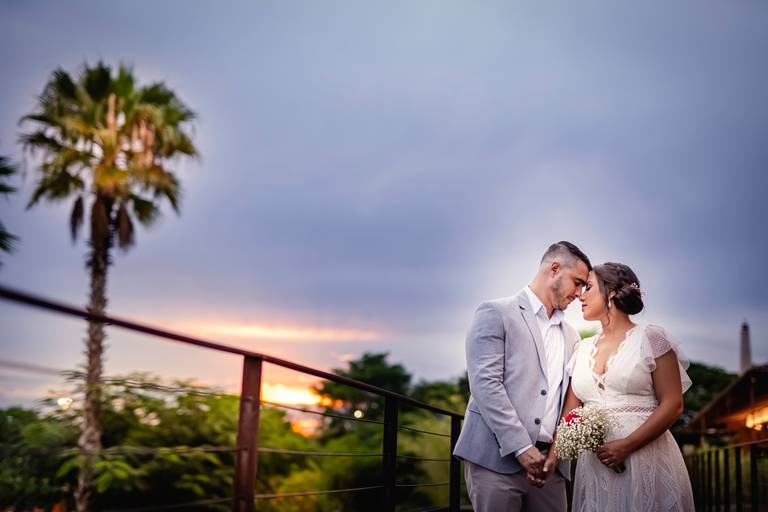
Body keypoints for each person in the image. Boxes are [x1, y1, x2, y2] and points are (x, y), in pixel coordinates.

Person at [453, 241, 590, 512]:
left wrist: (554, 455)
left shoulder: (572, 335)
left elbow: (569, 402)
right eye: (577, 282)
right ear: (554, 269)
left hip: (550, 470)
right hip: (495, 460)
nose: (580, 292)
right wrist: (520, 448)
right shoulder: (496, 312)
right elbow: (485, 385)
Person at [562, 262, 694, 511]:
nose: (580, 294)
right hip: (595, 466)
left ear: (610, 291)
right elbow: (570, 414)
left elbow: (673, 404)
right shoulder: (581, 349)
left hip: (645, 457)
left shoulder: (652, 338)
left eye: (588, 287)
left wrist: (627, 445)